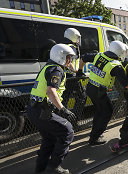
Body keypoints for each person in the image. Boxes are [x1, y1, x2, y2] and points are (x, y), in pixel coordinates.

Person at [27, 44, 77, 174]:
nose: (70, 61)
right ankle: (54, 166)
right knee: (67, 131)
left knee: (49, 139)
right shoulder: (57, 70)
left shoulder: (49, 67)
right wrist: (63, 109)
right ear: (61, 57)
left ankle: (41, 167)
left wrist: (71, 67)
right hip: (42, 110)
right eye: (68, 58)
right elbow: (50, 91)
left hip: (34, 109)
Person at [82, 41, 128, 146]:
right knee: (107, 112)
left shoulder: (99, 55)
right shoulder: (115, 65)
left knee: (100, 111)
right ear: (119, 52)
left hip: (90, 87)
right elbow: (126, 84)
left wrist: (79, 71)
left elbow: (84, 57)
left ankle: (94, 133)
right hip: (99, 91)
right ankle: (94, 138)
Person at [61, 28, 87, 118]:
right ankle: (74, 119)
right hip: (72, 77)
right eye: (77, 37)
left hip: (65, 77)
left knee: (64, 99)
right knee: (82, 97)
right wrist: (76, 71)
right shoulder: (71, 47)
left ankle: (63, 119)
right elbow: (69, 62)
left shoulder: (63, 45)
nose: (78, 40)